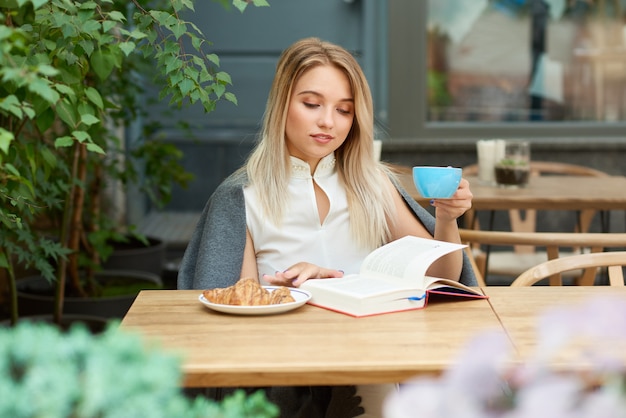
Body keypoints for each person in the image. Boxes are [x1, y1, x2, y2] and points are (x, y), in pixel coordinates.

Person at [178, 37, 476, 418]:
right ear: (282, 104)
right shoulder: (241, 197)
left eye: (344, 110)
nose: (327, 122)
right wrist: (294, 289)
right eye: (312, 104)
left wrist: (448, 219)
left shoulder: (374, 184)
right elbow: (239, 313)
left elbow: (442, 276)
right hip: (287, 365)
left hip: (376, 353)